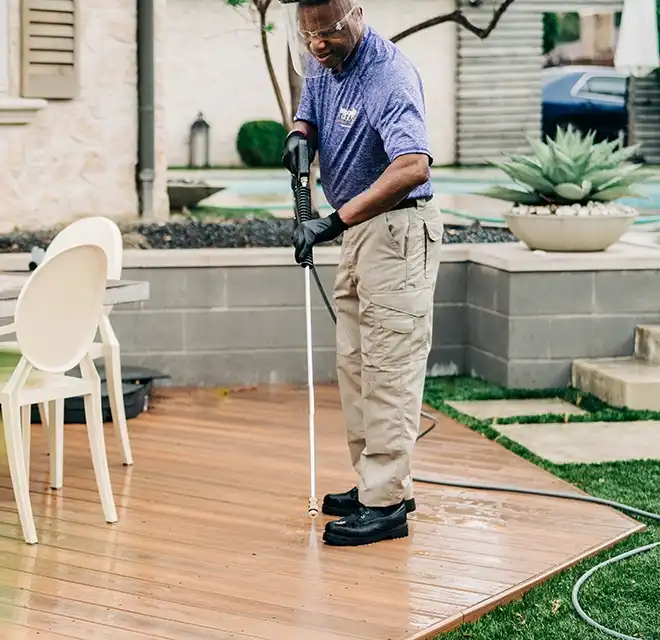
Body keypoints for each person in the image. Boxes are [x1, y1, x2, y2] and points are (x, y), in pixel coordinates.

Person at [281, 0, 444, 547]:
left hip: (397, 233)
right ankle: (375, 480)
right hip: (360, 232)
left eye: (327, 31)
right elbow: (312, 105)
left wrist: (331, 222)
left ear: (355, 13)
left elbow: (413, 165)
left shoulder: (388, 74)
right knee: (354, 362)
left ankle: (387, 504)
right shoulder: (324, 63)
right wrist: (301, 133)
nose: (317, 44)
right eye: (308, 34)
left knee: (389, 365)